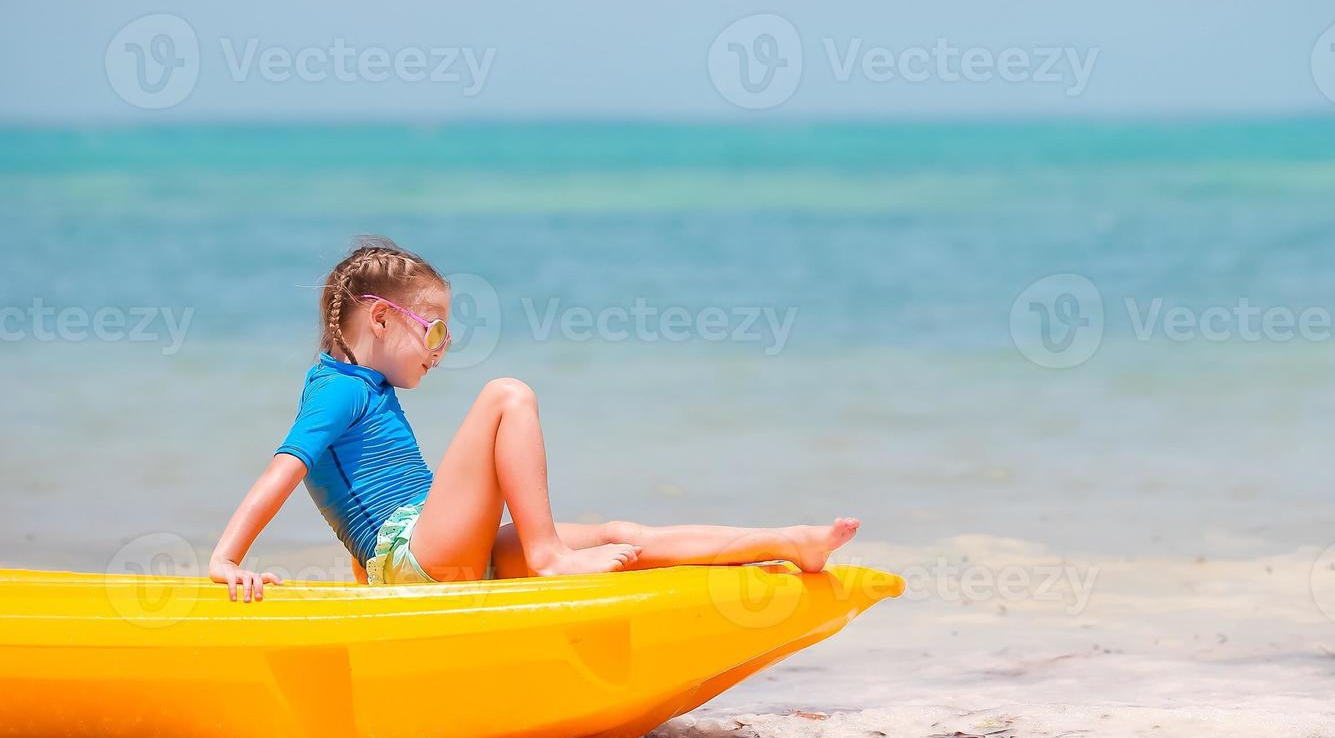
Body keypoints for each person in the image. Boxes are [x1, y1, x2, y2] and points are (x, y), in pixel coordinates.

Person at [209, 240, 860, 601]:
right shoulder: (337, 390)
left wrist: (366, 579)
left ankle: (787, 541)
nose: (442, 348)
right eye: (434, 329)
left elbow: (356, 497)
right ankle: (547, 556)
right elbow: (286, 467)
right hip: (418, 555)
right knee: (507, 394)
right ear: (380, 319)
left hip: (434, 552)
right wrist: (226, 560)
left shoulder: (361, 385)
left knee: (618, 534)